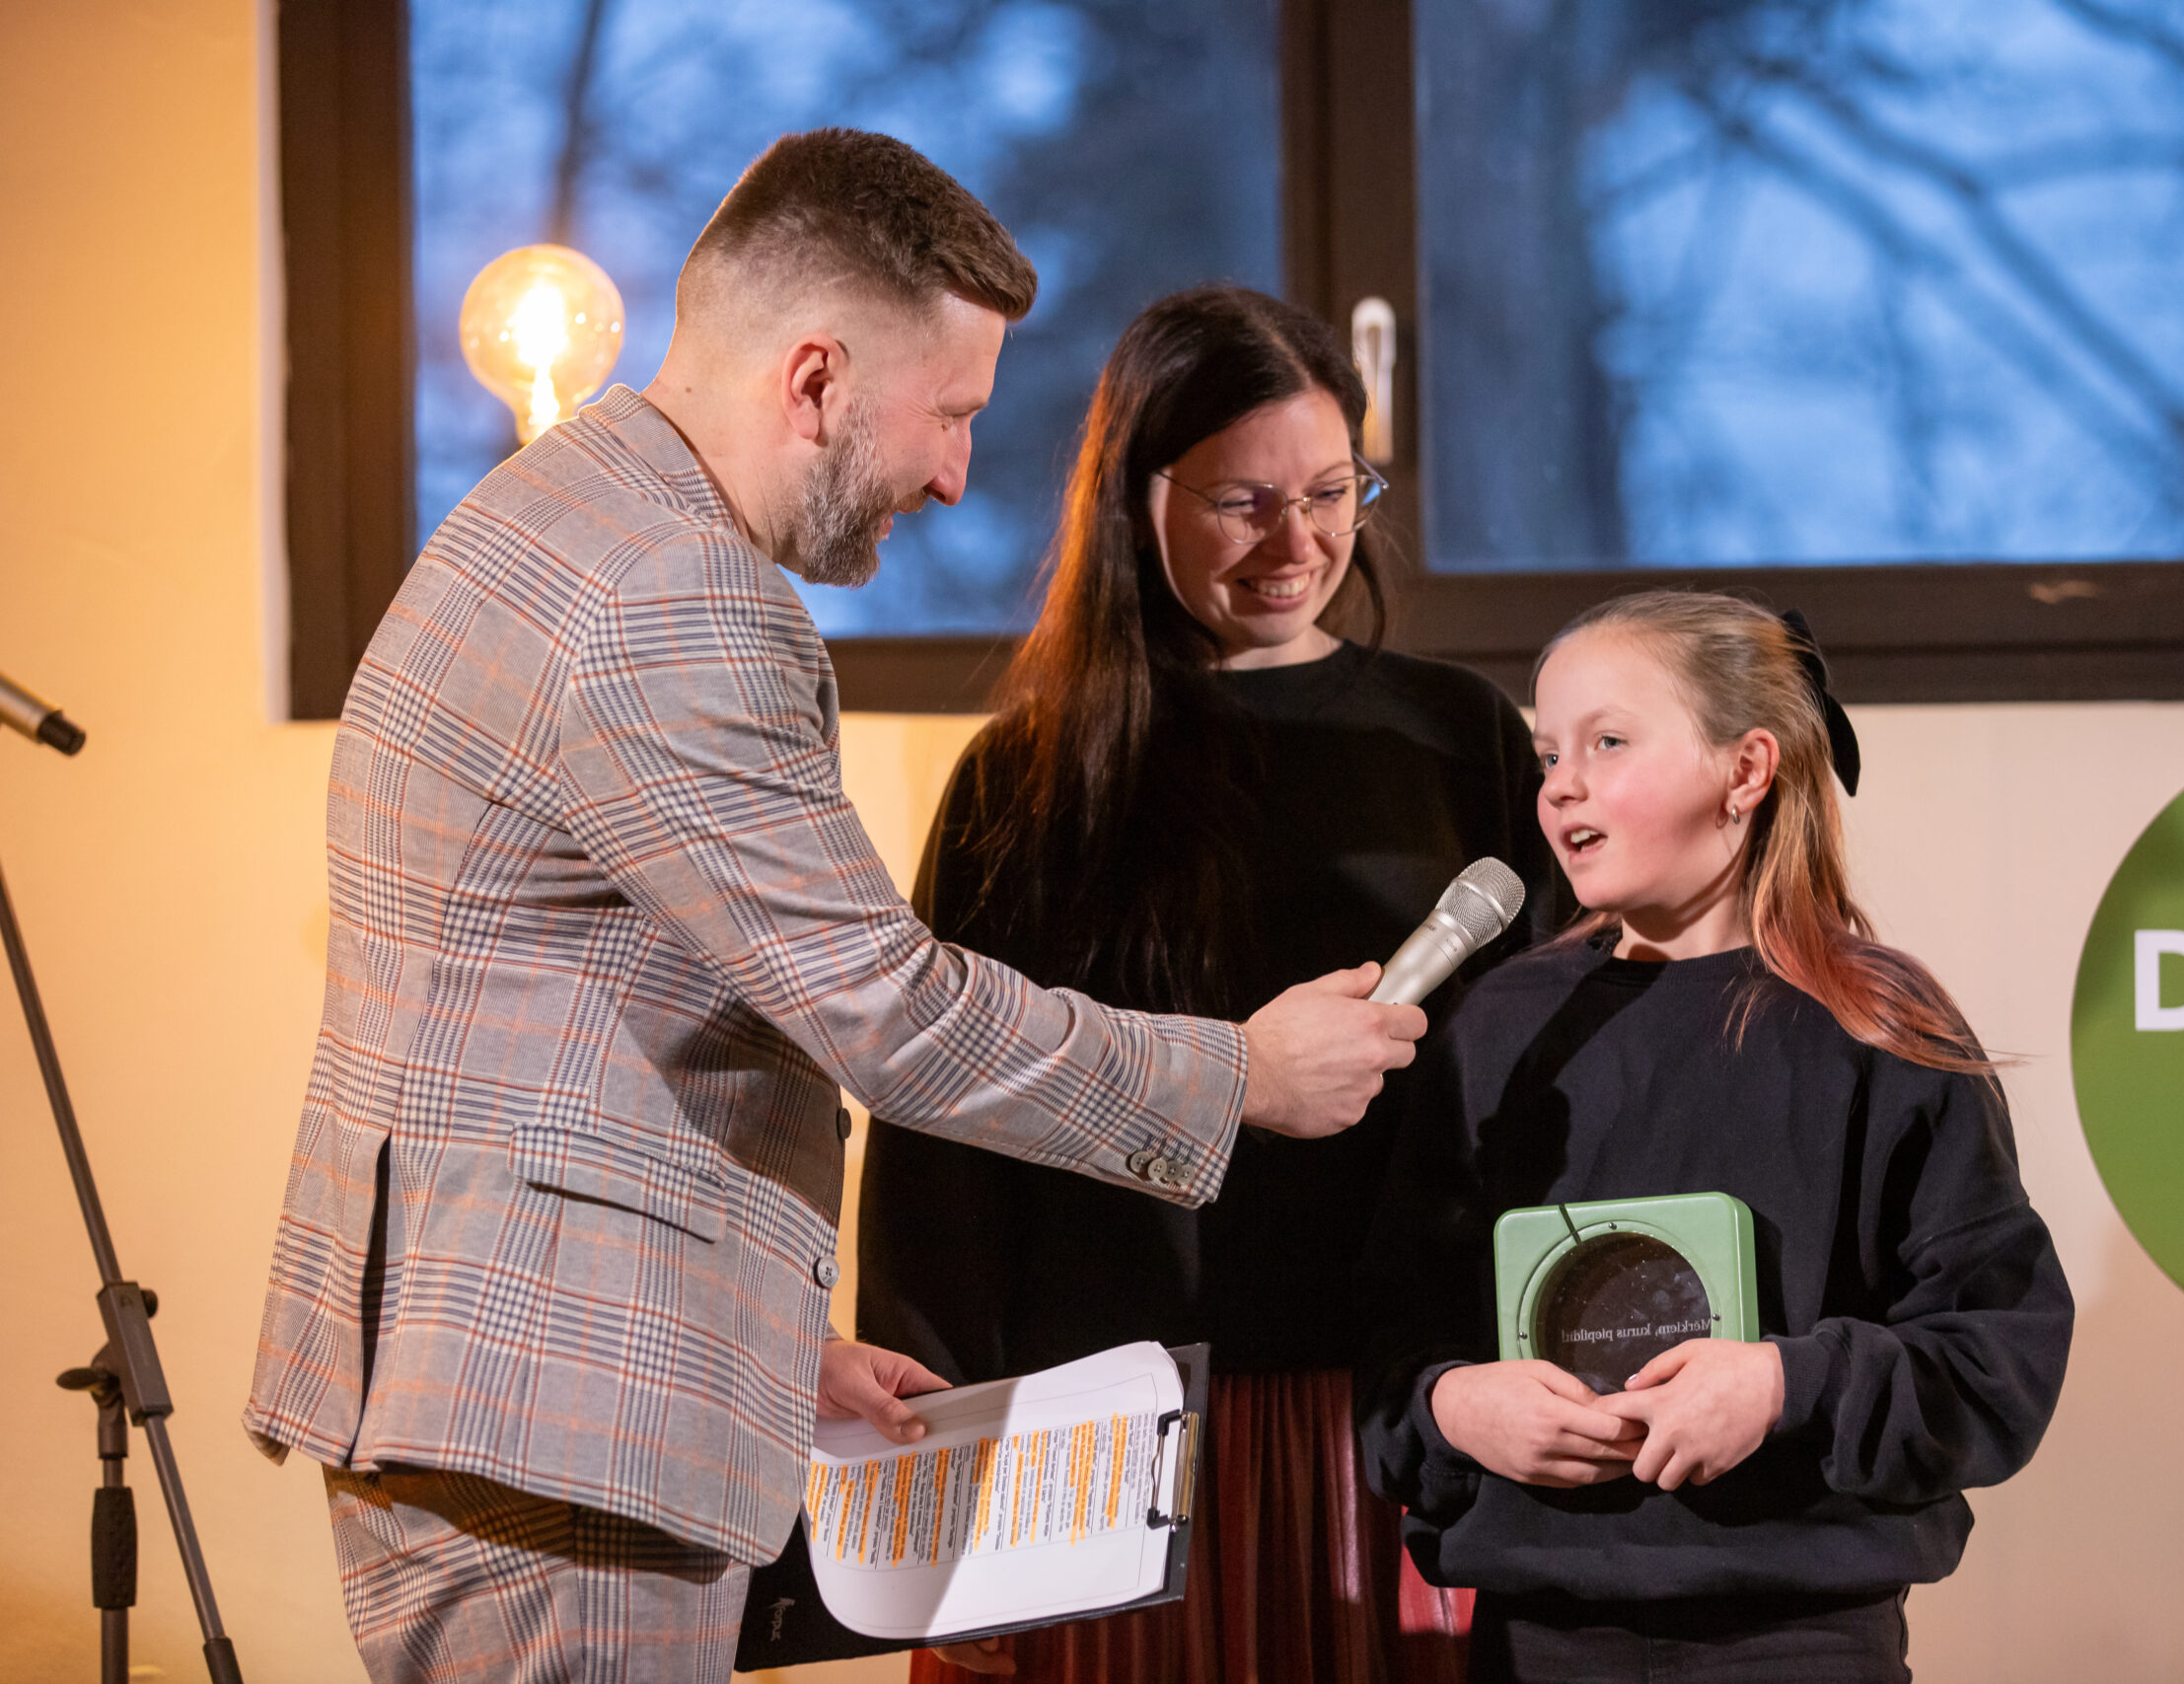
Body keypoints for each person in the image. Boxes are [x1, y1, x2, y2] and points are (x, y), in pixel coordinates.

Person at [241, 133, 1425, 1684]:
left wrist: (768, 1338)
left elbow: (566, 1036)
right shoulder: (677, 594)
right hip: (562, 1429)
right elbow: (889, 1009)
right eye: (952, 412)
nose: (955, 473)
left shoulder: (543, 521)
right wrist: (1239, 1074)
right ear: (815, 379)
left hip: (508, 1381)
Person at [855, 284, 1563, 1683]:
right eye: (1243, 503)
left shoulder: (1463, 738)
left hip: (1399, 1418)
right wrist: (929, 1494)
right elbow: (943, 1148)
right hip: (1107, 1444)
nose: (1297, 544)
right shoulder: (1031, 777)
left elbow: (1551, 1094)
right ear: (1139, 495)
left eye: (1331, 493)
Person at [1355, 590, 2074, 1683]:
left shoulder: (1875, 1026)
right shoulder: (1500, 1028)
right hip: (1537, 1636)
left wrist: (1786, 1386)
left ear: (1745, 770)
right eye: (1549, 754)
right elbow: (1394, 1339)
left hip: (1800, 1640)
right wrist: (1455, 1405)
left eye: (1608, 742)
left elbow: (1995, 1357)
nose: (1560, 785)